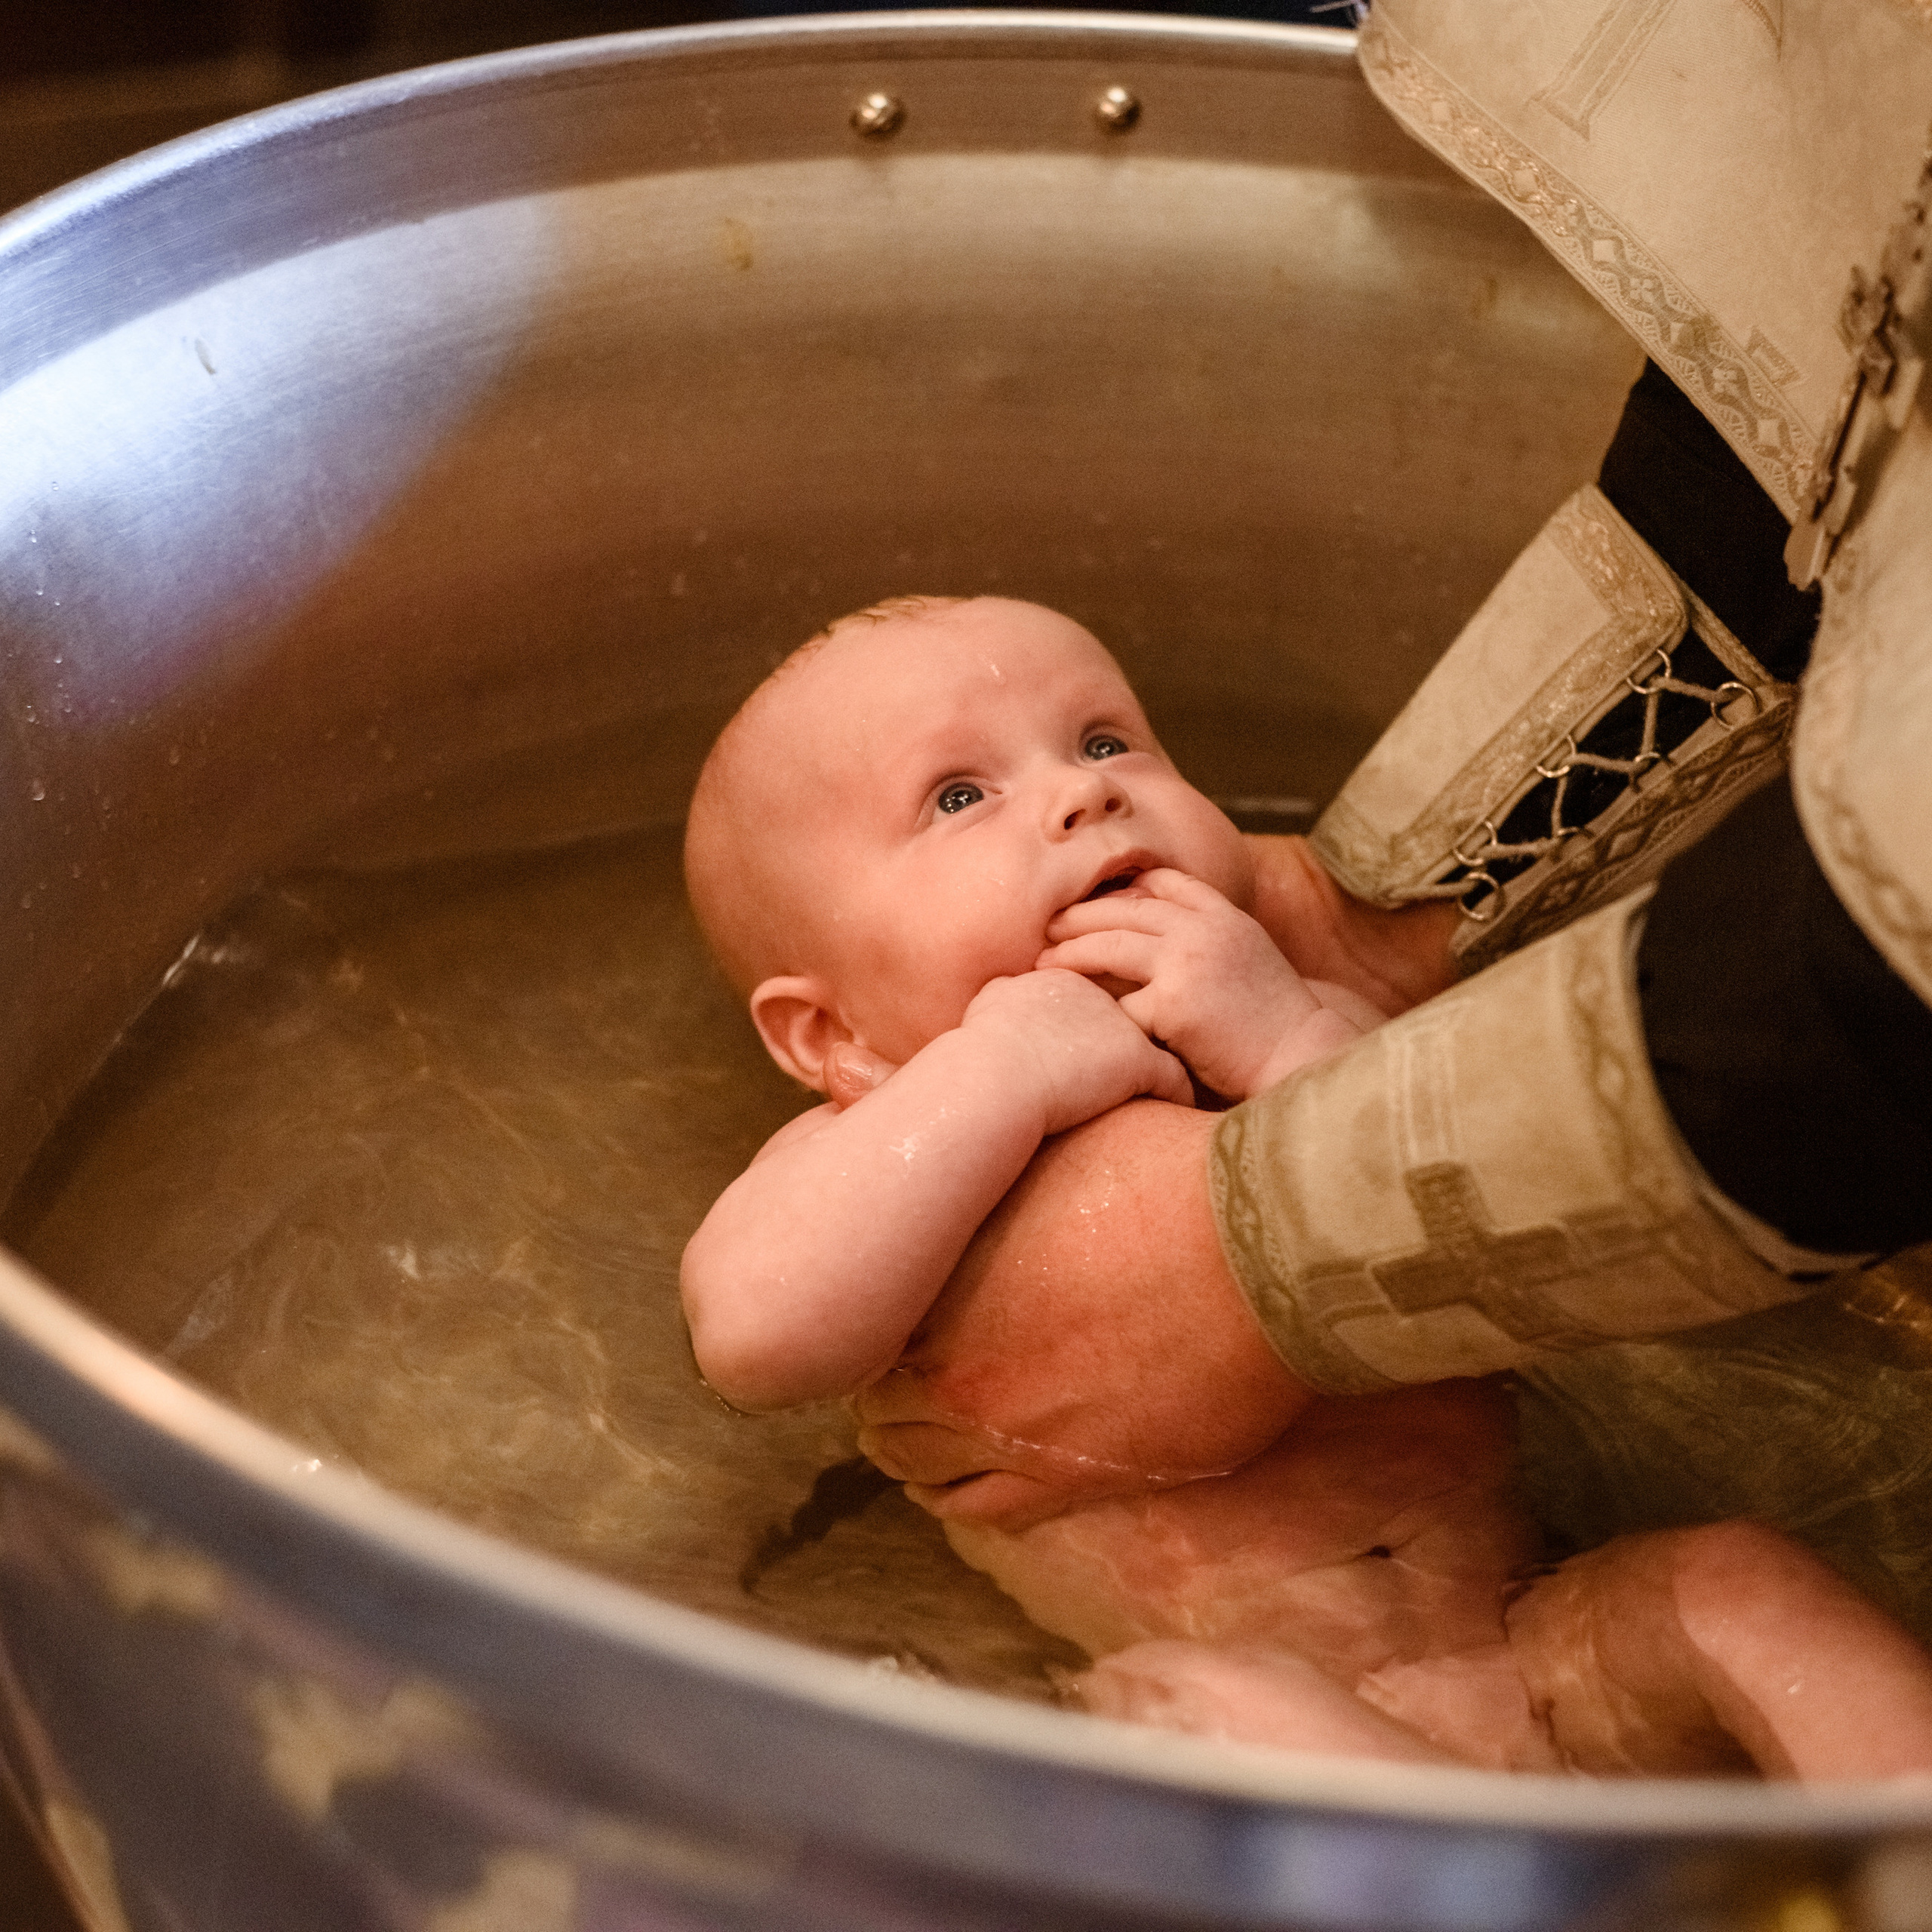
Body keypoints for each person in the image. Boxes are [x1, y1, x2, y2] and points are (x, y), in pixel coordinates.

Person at [681, 593, 1932, 1778]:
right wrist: (998, 1073)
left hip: (1535, 1640)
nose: (1083, 791)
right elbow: (756, 1336)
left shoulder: (1294, 1026)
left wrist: (1285, 1042)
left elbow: (1459, 1181)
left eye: (1106, 737)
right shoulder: (868, 1134)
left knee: (1731, 1583)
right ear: (828, 1038)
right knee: (1188, 1708)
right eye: (959, 796)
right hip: (1271, 1702)